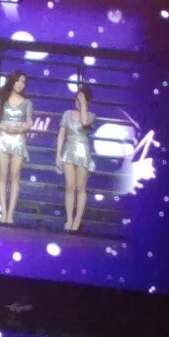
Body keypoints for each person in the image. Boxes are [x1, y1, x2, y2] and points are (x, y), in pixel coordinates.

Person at [0, 71, 32, 224]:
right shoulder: (1, 98)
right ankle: (3, 213)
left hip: (18, 140)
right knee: (2, 176)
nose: (20, 84)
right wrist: (5, 127)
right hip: (3, 139)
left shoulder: (27, 102)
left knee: (15, 176)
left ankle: (10, 214)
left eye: (23, 82)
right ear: (12, 81)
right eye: (18, 81)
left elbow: (29, 123)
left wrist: (20, 129)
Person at [56, 84, 96, 232]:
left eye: (82, 100)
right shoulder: (66, 114)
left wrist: (84, 104)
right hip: (68, 152)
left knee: (81, 187)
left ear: (87, 101)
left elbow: (84, 123)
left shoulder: (91, 116)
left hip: (83, 152)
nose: (78, 102)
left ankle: (77, 221)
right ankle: (69, 219)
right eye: (77, 99)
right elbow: (61, 135)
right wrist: (58, 154)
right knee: (70, 186)